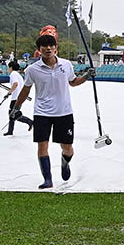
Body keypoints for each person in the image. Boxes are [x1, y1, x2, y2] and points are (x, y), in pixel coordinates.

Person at [10, 26, 94, 189]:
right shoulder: (32, 70)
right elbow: (26, 89)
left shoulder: (66, 65)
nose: (48, 49)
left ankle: (65, 161)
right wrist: (16, 107)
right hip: (42, 112)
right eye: (44, 47)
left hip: (64, 112)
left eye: (51, 46)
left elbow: (73, 82)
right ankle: (47, 179)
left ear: (56, 48)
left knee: (67, 147)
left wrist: (86, 76)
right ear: (39, 50)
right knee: (42, 145)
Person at [3, 60, 34, 136]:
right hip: (19, 97)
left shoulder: (13, 74)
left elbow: (15, 84)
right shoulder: (18, 75)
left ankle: (30, 122)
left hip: (16, 98)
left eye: (8, 67)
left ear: (11, 67)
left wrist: (9, 92)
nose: (8, 69)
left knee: (12, 114)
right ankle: (10, 131)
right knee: (12, 114)